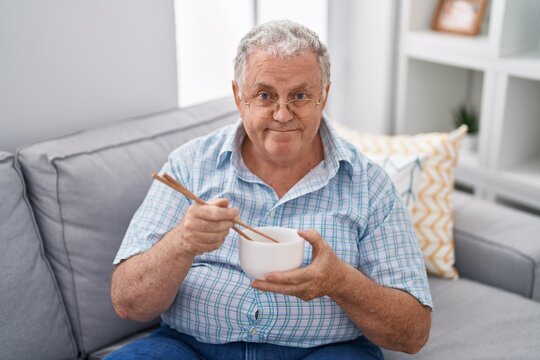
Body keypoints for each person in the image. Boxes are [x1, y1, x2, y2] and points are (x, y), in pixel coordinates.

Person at [108, 20, 432, 360]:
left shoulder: (369, 184)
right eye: (265, 95)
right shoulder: (189, 164)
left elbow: (413, 333)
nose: (281, 114)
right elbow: (127, 301)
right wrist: (183, 242)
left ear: (324, 96)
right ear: (238, 96)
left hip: (323, 351)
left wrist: (340, 282)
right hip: (188, 347)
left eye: (300, 96)